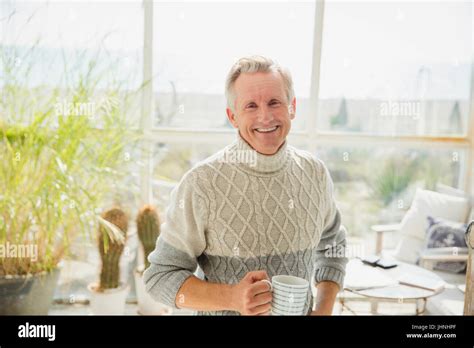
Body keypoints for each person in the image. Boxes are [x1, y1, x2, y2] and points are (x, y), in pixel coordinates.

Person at [144, 55, 348, 315]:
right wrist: (232, 298)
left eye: (274, 102)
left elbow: (333, 245)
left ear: (292, 107)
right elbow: (159, 277)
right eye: (251, 106)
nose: (265, 116)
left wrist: (323, 309)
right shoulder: (202, 183)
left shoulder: (315, 174)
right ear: (233, 116)